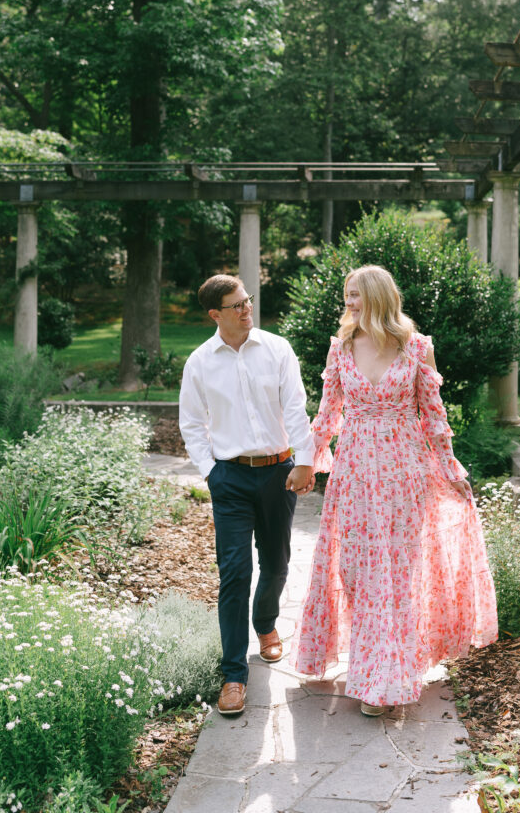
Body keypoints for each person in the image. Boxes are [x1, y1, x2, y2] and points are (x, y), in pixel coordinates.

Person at [291, 265, 498, 715]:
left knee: (399, 575)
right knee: (357, 570)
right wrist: (307, 463)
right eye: (346, 296)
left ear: (378, 297)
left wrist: (450, 467)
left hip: (405, 474)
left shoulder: (417, 347)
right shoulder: (341, 347)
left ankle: (386, 677)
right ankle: (371, 663)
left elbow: (434, 416)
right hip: (354, 474)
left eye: (355, 295)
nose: (348, 303)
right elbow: (327, 414)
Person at [179, 274, 315, 716]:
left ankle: (266, 624)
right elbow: (191, 423)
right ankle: (234, 674)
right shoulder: (200, 362)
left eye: (247, 300)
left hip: (278, 472)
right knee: (235, 573)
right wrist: (211, 472)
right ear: (215, 314)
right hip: (231, 480)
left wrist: (304, 461)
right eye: (236, 305)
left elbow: (295, 408)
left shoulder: (277, 349)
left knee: (276, 563)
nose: (246, 309)